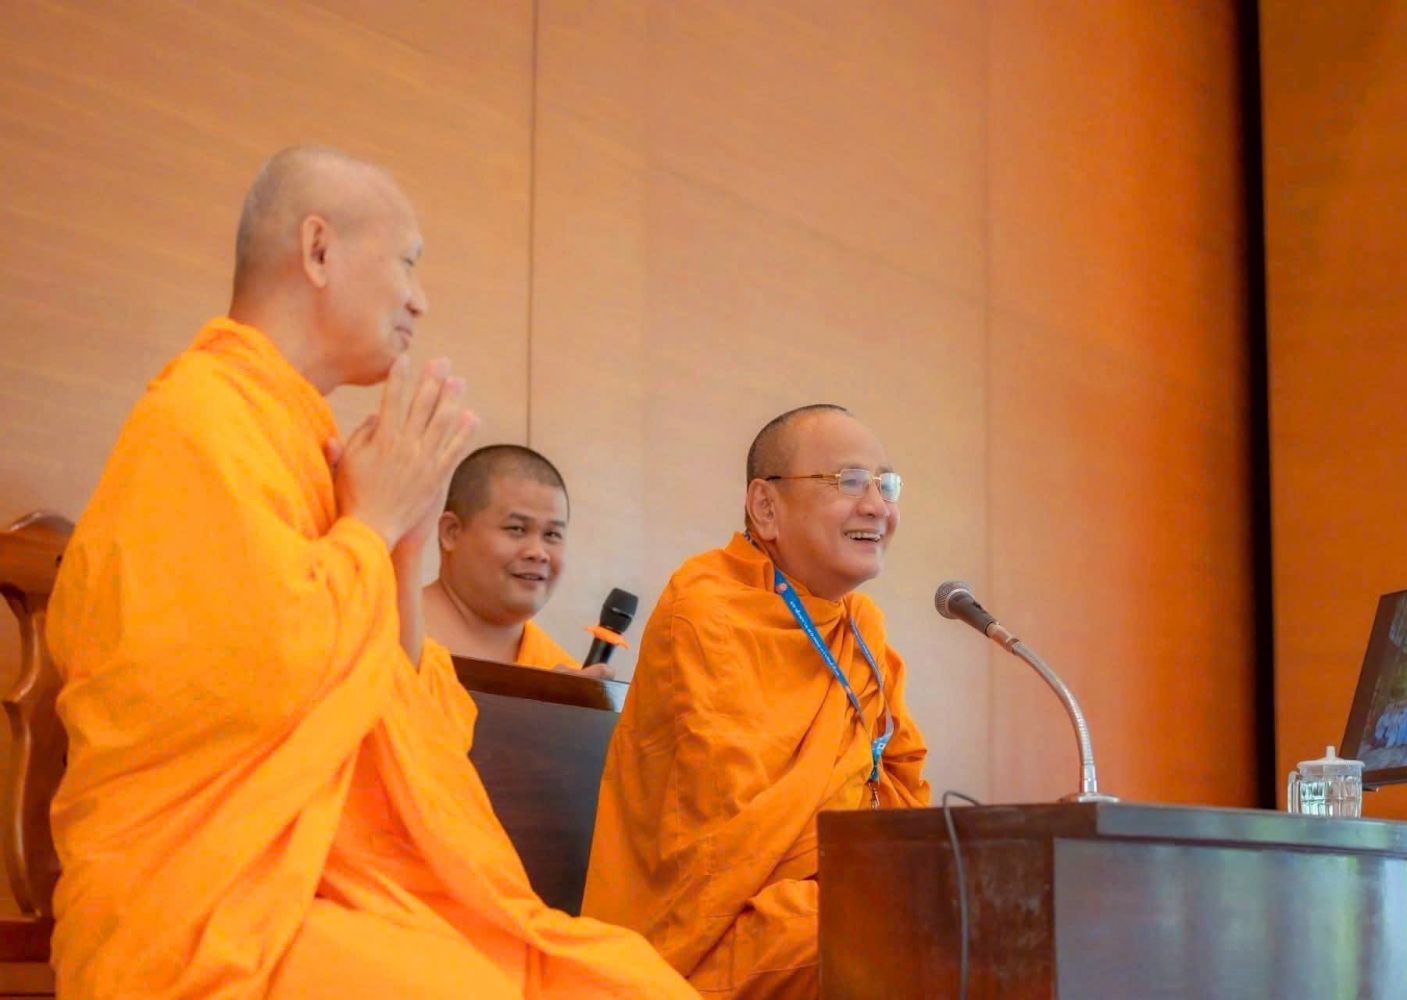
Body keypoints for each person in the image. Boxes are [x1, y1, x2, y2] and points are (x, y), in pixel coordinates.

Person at [44, 145, 692, 998]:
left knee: (625, 983)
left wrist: (403, 543)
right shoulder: (196, 424)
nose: (420, 298)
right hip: (210, 898)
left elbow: (404, 709)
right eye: (408, 263)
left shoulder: (305, 446)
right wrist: (372, 524)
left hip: (334, 881)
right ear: (319, 250)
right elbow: (253, 679)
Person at [582, 403, 931, 998]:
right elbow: (729, 846)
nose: (877, 506)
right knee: (894, 936)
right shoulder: (708, 609)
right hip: (714, 935)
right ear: (766, 507)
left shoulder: (861, 628)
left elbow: (900, 783)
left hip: (843, 896)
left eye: (886, 484)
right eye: (849, 481)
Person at [422, 444, 610, 677]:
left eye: (552, 534)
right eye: (517, 529)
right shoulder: (390, 632)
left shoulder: (557, 673)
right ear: (451, 533)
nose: (538, 552)